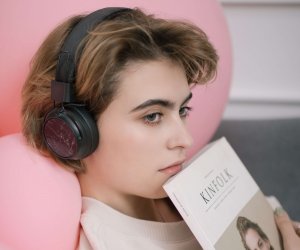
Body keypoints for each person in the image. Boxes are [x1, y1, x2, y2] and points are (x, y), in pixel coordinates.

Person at [21, 7, 300, 250]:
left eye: (182, 110)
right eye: (152, 116)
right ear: (73, 131)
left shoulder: (214, 197)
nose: (186, 139)